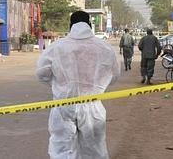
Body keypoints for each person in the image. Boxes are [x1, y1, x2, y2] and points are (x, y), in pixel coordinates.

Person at [36, 11, 121, 159]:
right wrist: (98, 85)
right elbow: (114, 75)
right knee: (95, 150)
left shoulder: (56, 47)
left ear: (70, 26)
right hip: (92, 106)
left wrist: (60, 86)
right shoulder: (104, 48)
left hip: (63, 105)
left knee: (62, 149)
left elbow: (42, 74)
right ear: (89, 25)